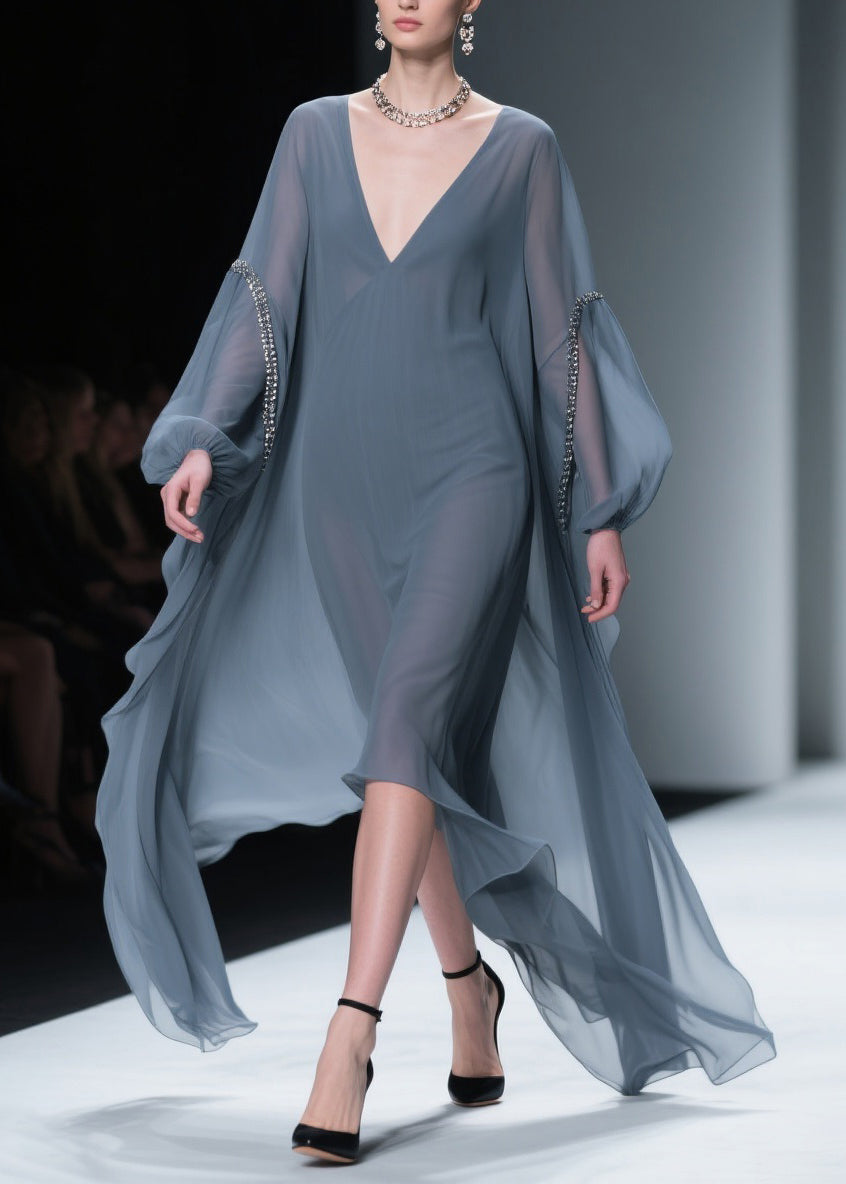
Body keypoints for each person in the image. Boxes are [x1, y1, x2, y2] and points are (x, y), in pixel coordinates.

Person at [94, 0, 776, 1166]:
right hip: (339, 487)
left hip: (477, 472)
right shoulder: (313, 134)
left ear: (473, 5)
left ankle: (349, 1032)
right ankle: (470, 988)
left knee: (406, 727)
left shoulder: (521, 148)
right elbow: (265, 295)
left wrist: (603, 503)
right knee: (405, 750)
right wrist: (205, 429)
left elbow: (561, 334)